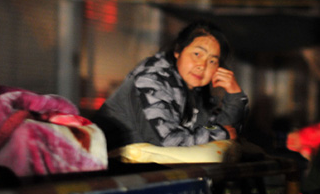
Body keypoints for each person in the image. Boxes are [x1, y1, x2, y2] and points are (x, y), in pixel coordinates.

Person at [95, 20, 249, 152]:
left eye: (212, 61)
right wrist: (221, 133)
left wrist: (234, 97)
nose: (202, 65)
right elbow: (167, 141)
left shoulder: (194, 91)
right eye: (197, 54)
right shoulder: (150, 80)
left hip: (145, 173)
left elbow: (220, 132)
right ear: (178, 51)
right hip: (106, 171)